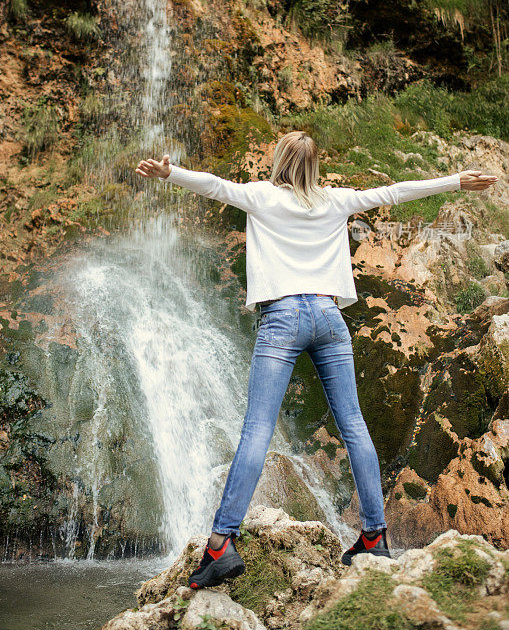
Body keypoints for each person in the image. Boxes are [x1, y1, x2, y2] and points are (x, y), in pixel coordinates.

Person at [135, 131, 498, 585]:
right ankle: (374, 535)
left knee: (257, 429)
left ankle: (221, 543)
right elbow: (396, 191)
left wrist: (170, 173)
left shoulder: (262, 196)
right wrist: (455, 181)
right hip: (328, 317)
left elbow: (212, 185)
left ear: (280, 161)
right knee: (354, 424)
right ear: (313, 166)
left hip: (282, 318)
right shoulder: (334, 201)